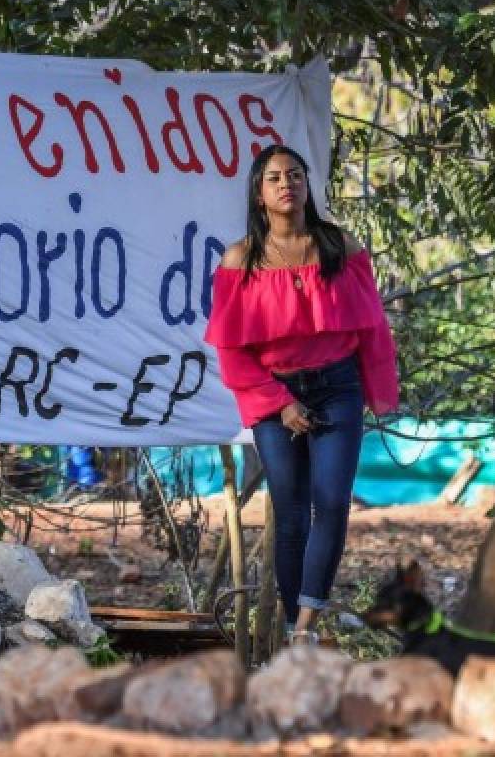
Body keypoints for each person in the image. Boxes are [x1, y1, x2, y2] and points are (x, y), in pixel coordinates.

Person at [203, 144, 399, 645]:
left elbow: (372, 330)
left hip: (337, 387)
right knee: (289, 513)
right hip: (275, 396)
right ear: (259, 192)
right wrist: (280, 403)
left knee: (331, 502)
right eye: (274, 177)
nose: (286, 183)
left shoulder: (340, 246)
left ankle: (308, 627)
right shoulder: (240, 259)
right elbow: (232, 352)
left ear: (308, 184)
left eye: (295, 174)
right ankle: (294, 629)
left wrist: (378, 394)